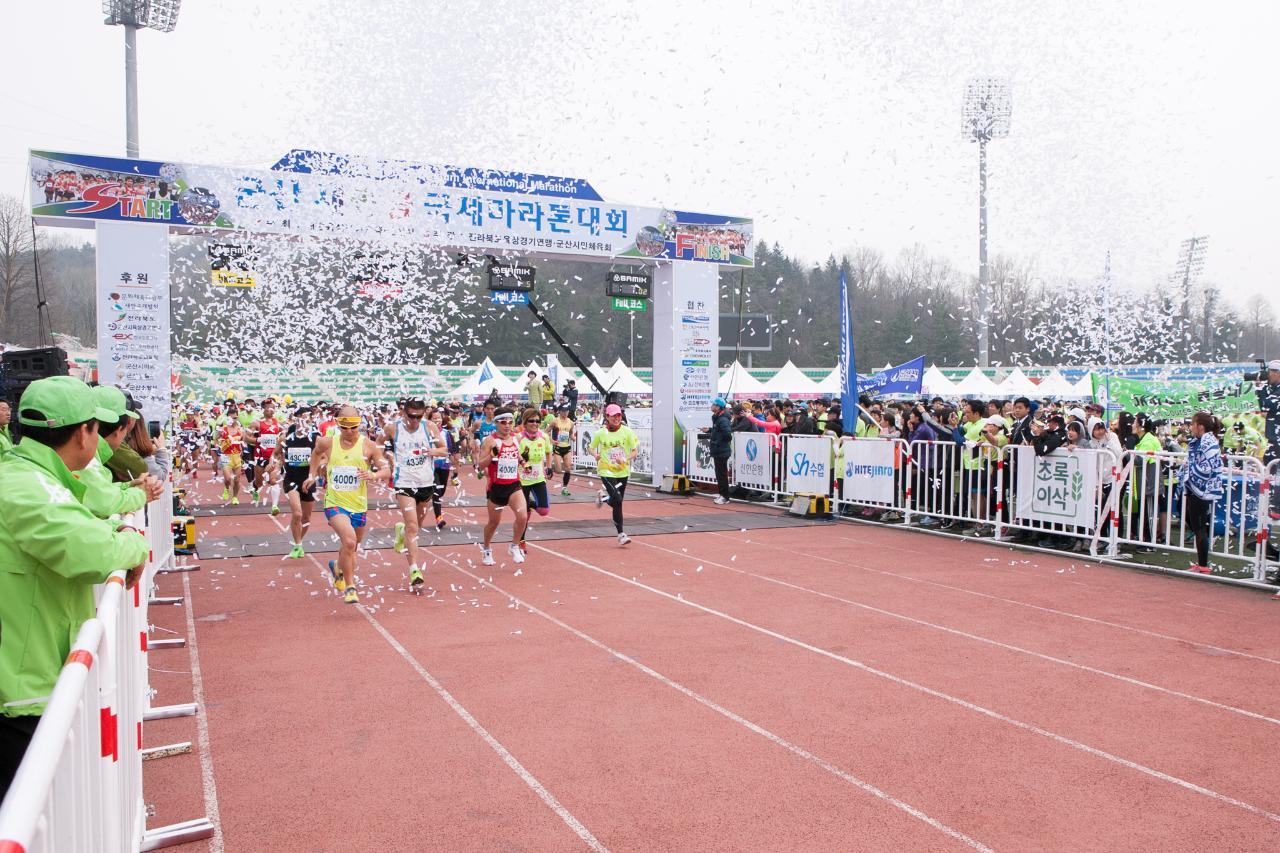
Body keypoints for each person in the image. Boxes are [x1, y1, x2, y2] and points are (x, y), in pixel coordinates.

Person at [0, 376, 150, 798]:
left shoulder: (33, 476)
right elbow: (92, 549)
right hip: (21, 691)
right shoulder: (28, 487)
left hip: (29, 679)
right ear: (85, 433)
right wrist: (134, 544)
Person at [305, 405, 389, 604]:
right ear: (338, 425)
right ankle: (350, 586)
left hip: (358, 505)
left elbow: (387, 470)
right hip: (334, 502)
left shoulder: (369, 446)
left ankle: (337, 568)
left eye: (354, 427)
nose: (349, 432)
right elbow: (316, 454)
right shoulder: (328, 443)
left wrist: (373, 474)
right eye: (345, 427)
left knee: (351, 547)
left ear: (360, 425)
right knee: (350, 541)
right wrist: (312, 474)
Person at [385, 398, 446, 587]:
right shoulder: (392, 428)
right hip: (404, 483)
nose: (414, 420)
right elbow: (378, 447)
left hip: (426, 483)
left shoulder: (429, 428)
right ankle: (414, 570)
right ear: (403, 412)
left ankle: (401, 530)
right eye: (411, 416)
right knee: (413, 527)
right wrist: (387, 458)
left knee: (415, 526)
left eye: (419, 417)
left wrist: (430, 452)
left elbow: (444, 450)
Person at [79, 385, 162, 519]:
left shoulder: (90, 457)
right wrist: (141, 494)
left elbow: (97, 491)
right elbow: (103, 502)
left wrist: (127, 486)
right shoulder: (86, 460)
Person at [475, 408, 528, 566]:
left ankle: (514, 545)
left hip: (513, 485)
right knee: (493, 523)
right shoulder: (490, 441)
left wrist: (525, 464)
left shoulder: (516, 438)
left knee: (523, 516)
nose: (507, 425)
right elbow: (480, 465)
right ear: (496, 423)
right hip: (496, 487)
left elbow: (518, 456)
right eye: (503, 422)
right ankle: (486, 549)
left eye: (510, 422)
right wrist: (492, 456)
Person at [1180, 412, 1225, 574]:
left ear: (1200, 426)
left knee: (1199, 527)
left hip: (1202, 489)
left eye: (1193, 424)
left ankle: (1203, 565)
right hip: (1195, 488)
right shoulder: (1199, 442)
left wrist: (1189, 470)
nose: (1190, 427)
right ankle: (1201, 563)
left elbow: (1207, 468)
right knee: (1194, 524)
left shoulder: (1208, 443)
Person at [590, 403, 638, 545]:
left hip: (622, 471)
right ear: (607, 417)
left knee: (618, 501)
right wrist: (596, 455)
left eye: (618, 415)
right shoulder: (601, 433)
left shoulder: (627, 432)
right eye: (613, 416)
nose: (617, 418)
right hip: (606, 469)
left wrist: (626, 458)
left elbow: (634, 450)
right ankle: (621, 534)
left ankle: (603, 500)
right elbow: (590, 447)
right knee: (617, 499)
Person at [275, 406, 319, 559]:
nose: (305, 421)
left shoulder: (315, 438)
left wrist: (317, 466)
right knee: (297, 513)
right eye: (302, 417)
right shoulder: (286, 438)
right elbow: (276, 454)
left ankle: (300, 541)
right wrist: (275, 467)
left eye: (308, 418)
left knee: (306, 518)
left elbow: (325, 456)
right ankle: (298, 544)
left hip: (307, 480)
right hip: (291, 479)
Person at [516, 407, 554, 552]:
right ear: (525, 422)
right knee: (523, 515)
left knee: (544, 510)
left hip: (538, 478)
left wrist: (549, 467)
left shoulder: (543, 437)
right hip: (522, 480)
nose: (535, 423)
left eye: (537, 421)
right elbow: (512, 455)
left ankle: (530, 503)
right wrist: (521, 461)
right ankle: (521, 540)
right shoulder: (519, 438)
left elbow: (549, 452)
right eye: (531, 421)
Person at [706, 398, 732, 504]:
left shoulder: (722, 419)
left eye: (713, 404)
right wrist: (709, 430)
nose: (711, 406)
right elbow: (719, 431)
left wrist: (718, 442)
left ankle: (725, 496)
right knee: (719, 473)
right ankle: (722, 494)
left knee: (721, 474)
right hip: (718, 450)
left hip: (721, 450)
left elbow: (727, 434)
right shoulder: (717, 418)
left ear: (718, 407)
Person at [1256, 359, 1280, 465]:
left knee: (1271, 462)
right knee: (1268, 461)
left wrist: (1260, 389)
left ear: (1277, 373)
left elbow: (1265, 405)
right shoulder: (1273, 389)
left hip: (1277, 436)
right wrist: (1262, 387)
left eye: (1269, 372)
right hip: (1273, 437)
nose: (1268, 375)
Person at [548, 405, 575, 495]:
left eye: (567, 411)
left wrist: (573, 438)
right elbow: (546, 431)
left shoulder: (571, 422)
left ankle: (564, 488)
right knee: (559, 471)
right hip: (558, 448)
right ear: (560, 411)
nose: (566, 413)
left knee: (568, 468)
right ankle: (548, 469)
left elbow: (570, 434)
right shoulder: (555, 421)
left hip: (566, 447)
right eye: (564, 411)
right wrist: (551, 440)